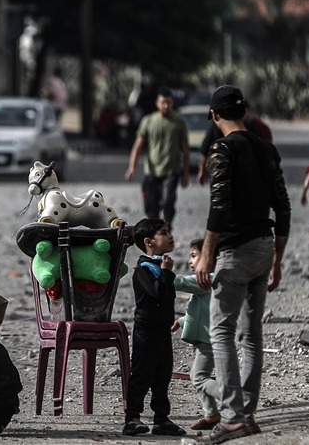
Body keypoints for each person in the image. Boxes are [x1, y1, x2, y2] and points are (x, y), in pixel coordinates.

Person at [193, 85, 291, 444]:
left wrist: (206, 254)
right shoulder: (267, 148)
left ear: (214, 115)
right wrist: (278, 258)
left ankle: (233, 418)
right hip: (264, 247)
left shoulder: (222, 149)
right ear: (245, 111)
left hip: (235, 252)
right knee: (251, 335)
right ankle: (246, 414)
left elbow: (219, 205)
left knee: (221, 332)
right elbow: (283, 206)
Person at [122, 218, 186, 437]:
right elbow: (157, 293)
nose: (170, 236)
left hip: (162, 330)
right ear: (148, 242)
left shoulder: (160, 266)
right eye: (164, 233)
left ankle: (161, 419)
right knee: (142, 374)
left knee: (162, 375)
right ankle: (132, 418)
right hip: (146, 331)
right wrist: (167, 272)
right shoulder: (143, 269)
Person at [171, 238, 221, 431]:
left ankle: (233, 400)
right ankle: (212, 414)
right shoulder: (214, 280)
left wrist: (164, 272)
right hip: (208, 338)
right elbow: (202, 314)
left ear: (209, 258)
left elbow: (182, 282)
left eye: (194, 256)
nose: (190, 262)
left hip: (209, 340)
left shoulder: (207, 279)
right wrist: (181, 321)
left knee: (199, 378)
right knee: (197, 375)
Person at [125, 88, 190, 228]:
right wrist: (132, 167)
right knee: (151, 204)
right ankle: (155, 229)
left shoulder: (179, 123)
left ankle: (167, 226)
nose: (166, 106)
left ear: (172, 103)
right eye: (163, 102)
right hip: (152, 171)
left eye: (169, 103)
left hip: (171, 172)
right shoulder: (148, 121)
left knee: (168, 201)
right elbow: (138, 146)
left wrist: (185, 173)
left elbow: (185, 150)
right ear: (157, 103)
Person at [197, 105, 271, 185]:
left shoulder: (216, 128)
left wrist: (202, 171)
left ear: (214, 115)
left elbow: (205, 150)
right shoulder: (252, 126)